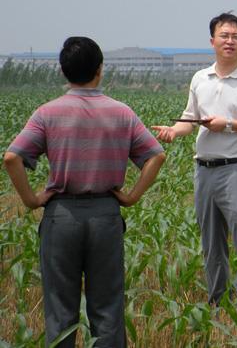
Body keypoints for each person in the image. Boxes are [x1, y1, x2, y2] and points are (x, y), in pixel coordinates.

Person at [3, 36, 166, 347]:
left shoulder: (47, 113)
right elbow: (156, 155)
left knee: (61, 313)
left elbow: (12, 158)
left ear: (64, 72)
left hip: (61, 216)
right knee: (107, 311)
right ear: (100, 70)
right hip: (105, 216)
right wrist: (131, 196)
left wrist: (31, 200)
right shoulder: (121, 113)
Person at [153, 13, 237, 306]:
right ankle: (218, 303)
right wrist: (175, 131)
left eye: (235, 36)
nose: (229, 41)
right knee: (211, 244)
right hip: (204, 170)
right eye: (224, 36)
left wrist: (229, 124)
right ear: (212, 41)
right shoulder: (201, 78)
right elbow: (190, 119)